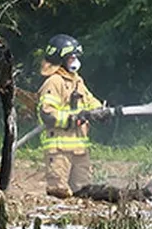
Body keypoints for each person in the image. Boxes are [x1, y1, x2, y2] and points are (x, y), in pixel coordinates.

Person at [36, 34, 111, 198]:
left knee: (83, 192)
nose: (75, 61)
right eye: (71, 57)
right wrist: (72, 118)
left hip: (79, 150)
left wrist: (101, 111)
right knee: (59, 193)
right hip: (59, 150)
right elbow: (47, 113)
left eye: (75, 57)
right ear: (60, 59)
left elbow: (90, 101)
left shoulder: (77, 81)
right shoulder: (54, 82)